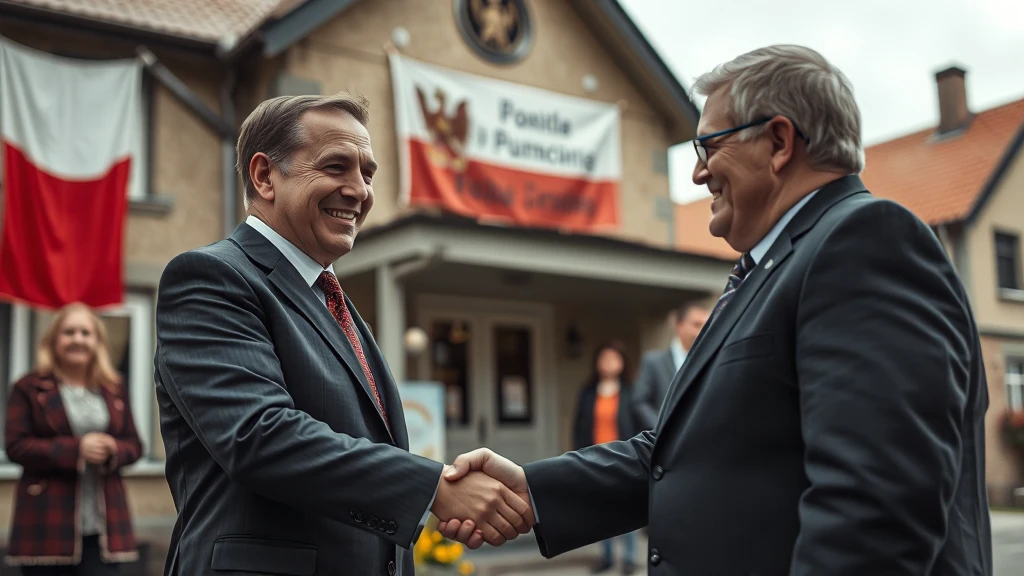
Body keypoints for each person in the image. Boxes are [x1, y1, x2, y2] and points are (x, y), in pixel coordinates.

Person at [438, 44, 993, 575]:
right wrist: (532, 490)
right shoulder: (769, 271)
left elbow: (875, 511)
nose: (698, 174)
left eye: (709, 147)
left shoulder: (865, 242)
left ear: (779, 142)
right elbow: (681, 455)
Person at [153, 93, 530, 576]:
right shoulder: (210, 277)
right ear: (265, 176)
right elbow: (259, 435)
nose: (358, 191)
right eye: (336, 167)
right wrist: (434, 487)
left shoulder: (335, 304)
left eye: (367, 174)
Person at [5, 303, 143, 575]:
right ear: (53, 340)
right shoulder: (28, 387)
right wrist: (77, 449)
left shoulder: (114, 387)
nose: (78, 339)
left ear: (97, 341)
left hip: (105, 526)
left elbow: (135, 445)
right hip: (46, 522)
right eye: (69, 332)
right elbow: (16, 446)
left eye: (85, 333)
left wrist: (113, 449)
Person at [571, 341, 641, 574]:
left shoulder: (631, 392)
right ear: (597, 362)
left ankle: (629, 558)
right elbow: (579, 427)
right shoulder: (588, 392)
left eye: (614, 358)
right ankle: (607, 555)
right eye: (604, 358)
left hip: (624, 459)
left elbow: (639, 426)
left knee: (628, 509)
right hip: (594, 459)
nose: (609, 363)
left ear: (622, 363)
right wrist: (577, 457)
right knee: (601, 510)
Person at [632, 304, 708, 430]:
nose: (703, 331)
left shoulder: (709, 361)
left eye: (706, 326)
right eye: (696, 325)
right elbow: (640, 402)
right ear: (679, 325)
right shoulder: (653, 361)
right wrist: (661, 429)